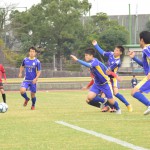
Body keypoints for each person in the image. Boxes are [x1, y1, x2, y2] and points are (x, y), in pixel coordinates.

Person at [70, 48, 121, 114]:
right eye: (85, 55)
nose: (86, 57)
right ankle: (104, 101)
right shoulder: (92, 62)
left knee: (111, 101)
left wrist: (77, 60)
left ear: (91, 56)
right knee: (89, 97)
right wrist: (88, 86)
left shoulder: (95, 61)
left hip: (105, 83)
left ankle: (118, 109)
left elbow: (89, 65)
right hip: (97, 84)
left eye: (87, 55)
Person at [92, 40, 132, 112]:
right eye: (115, 49)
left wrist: (117, 77)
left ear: (120, 53)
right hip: (107, 78)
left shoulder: (117, 62)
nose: (115, 51)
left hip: (113, 79)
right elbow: (102, 52)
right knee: (104, 93)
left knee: (116, 93)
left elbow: (109, 71)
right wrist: (96, 45)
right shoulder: (111, 54)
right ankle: (108, 107)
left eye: (117, 50)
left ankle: (127, 104)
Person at [129, 31, 150, 115]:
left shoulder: (146, 49)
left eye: (139, 39)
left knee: (134, 92)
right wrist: (134, 58)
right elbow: (144, 65)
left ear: (142, 40)